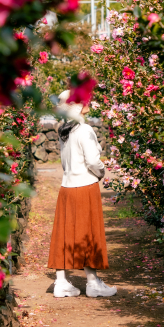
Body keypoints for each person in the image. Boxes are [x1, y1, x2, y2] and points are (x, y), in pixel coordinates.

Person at [47, 90, 117, 298]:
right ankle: (93, 283)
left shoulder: (63, 130)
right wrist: (102, 172)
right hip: (85, 185)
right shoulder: (85, 129)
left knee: (64, 233)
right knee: (89, 233)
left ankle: (61, 282)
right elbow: (93, 162)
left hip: (67, 187)